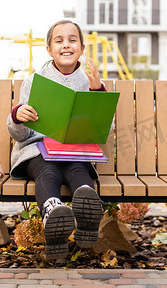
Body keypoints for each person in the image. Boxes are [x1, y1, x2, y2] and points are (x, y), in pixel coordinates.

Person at [7, 20, 106, 259]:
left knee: (77, 169)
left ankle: (86, 214)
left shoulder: (90, 81)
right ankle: (53, 216)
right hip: (38, 150)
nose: (66, 46)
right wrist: (18, 117)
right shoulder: (34, 81)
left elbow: (103, 130)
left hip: (75, 150)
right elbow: (21, 135)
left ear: (81, 48)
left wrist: (97, 92)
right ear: (49, 49)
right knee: (48, 171)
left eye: (72, 40)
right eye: (59, 41)